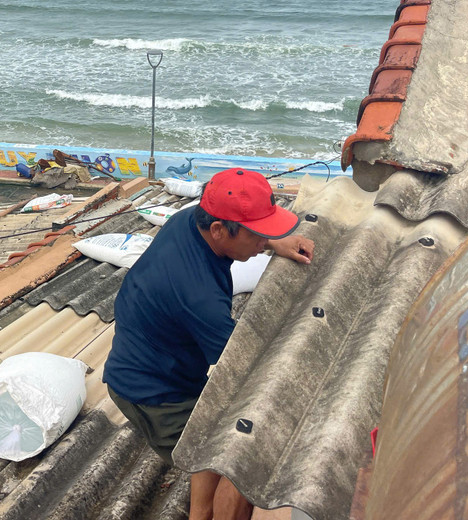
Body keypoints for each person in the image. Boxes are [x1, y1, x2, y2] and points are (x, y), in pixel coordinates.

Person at [103, 168, 314, 520]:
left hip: (165, 357)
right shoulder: (199, 297)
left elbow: (242, 234)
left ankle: (199, 513)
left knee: (207, 439)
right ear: (218, 230)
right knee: (229, 459)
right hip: (151, 391)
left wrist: (274, 243)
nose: (263, 241)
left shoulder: (189, 220)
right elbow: (246, 365)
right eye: (257, 234)